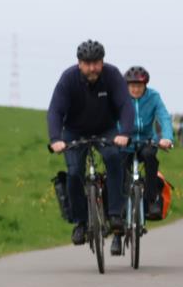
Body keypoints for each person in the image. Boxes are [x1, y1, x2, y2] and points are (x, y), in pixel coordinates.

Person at [47, 40, 133, 255]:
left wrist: (124, 133)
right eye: (88, 63)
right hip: (74, 131)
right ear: (79, 64)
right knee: (75, 172)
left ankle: (114, 214)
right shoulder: (68, 79)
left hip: (106, 129)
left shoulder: (112, 76)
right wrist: (56, 138)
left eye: (96, 63)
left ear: (102, 62)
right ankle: (81, 223)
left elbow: (125, 106)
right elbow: (55, 111)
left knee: (114, 158)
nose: (93, 68)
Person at [113, 66, 173, 255]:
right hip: (125, 143)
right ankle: (116, 233)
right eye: (132, 85)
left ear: (145, 84)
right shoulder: (120, 97)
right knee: (118, 176)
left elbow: (164, 117)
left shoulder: (153, 97)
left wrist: (167, 137)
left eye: (139, 85)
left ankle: (152, 201)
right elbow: (112, 118)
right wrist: (115, 136)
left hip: (147, 140)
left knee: (150, 157)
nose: (136, 89)